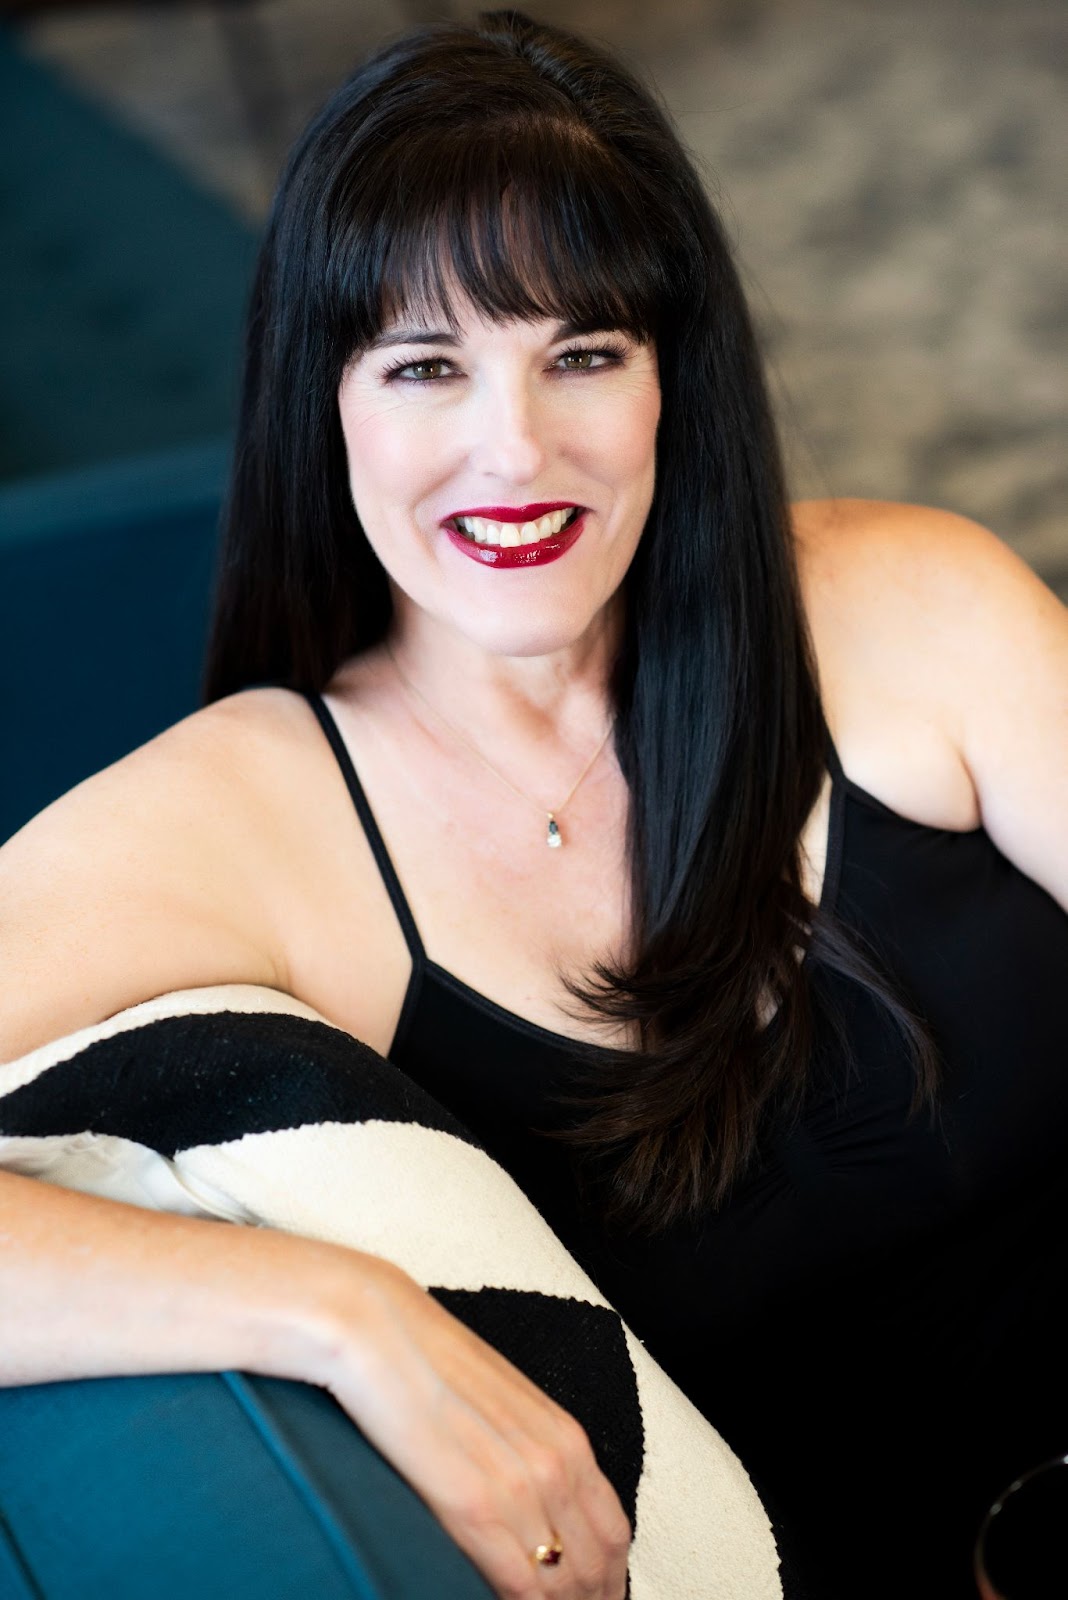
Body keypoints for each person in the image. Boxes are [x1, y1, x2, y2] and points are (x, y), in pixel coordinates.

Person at [1, 9, 1066, 1598]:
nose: (516, 449)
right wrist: (340, 1319)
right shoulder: (249, 823)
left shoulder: (911, 604)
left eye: (584, 354)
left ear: (671, 379)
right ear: (323, 399)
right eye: (427, 366)